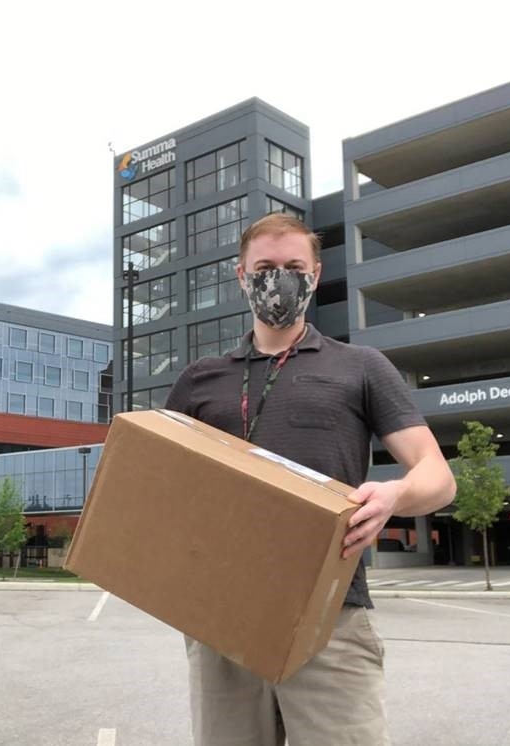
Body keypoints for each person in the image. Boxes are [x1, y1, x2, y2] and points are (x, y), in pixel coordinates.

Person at [165, 212, 456, 746]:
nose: (280, 280)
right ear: (240, 275)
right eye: (265, 267)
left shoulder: (361, 367)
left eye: (294, 267)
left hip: (331, 616)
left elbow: (439, 477)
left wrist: (394, 494)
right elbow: (165, 490)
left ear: (316, 275)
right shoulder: (199, 380)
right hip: (220, 618)